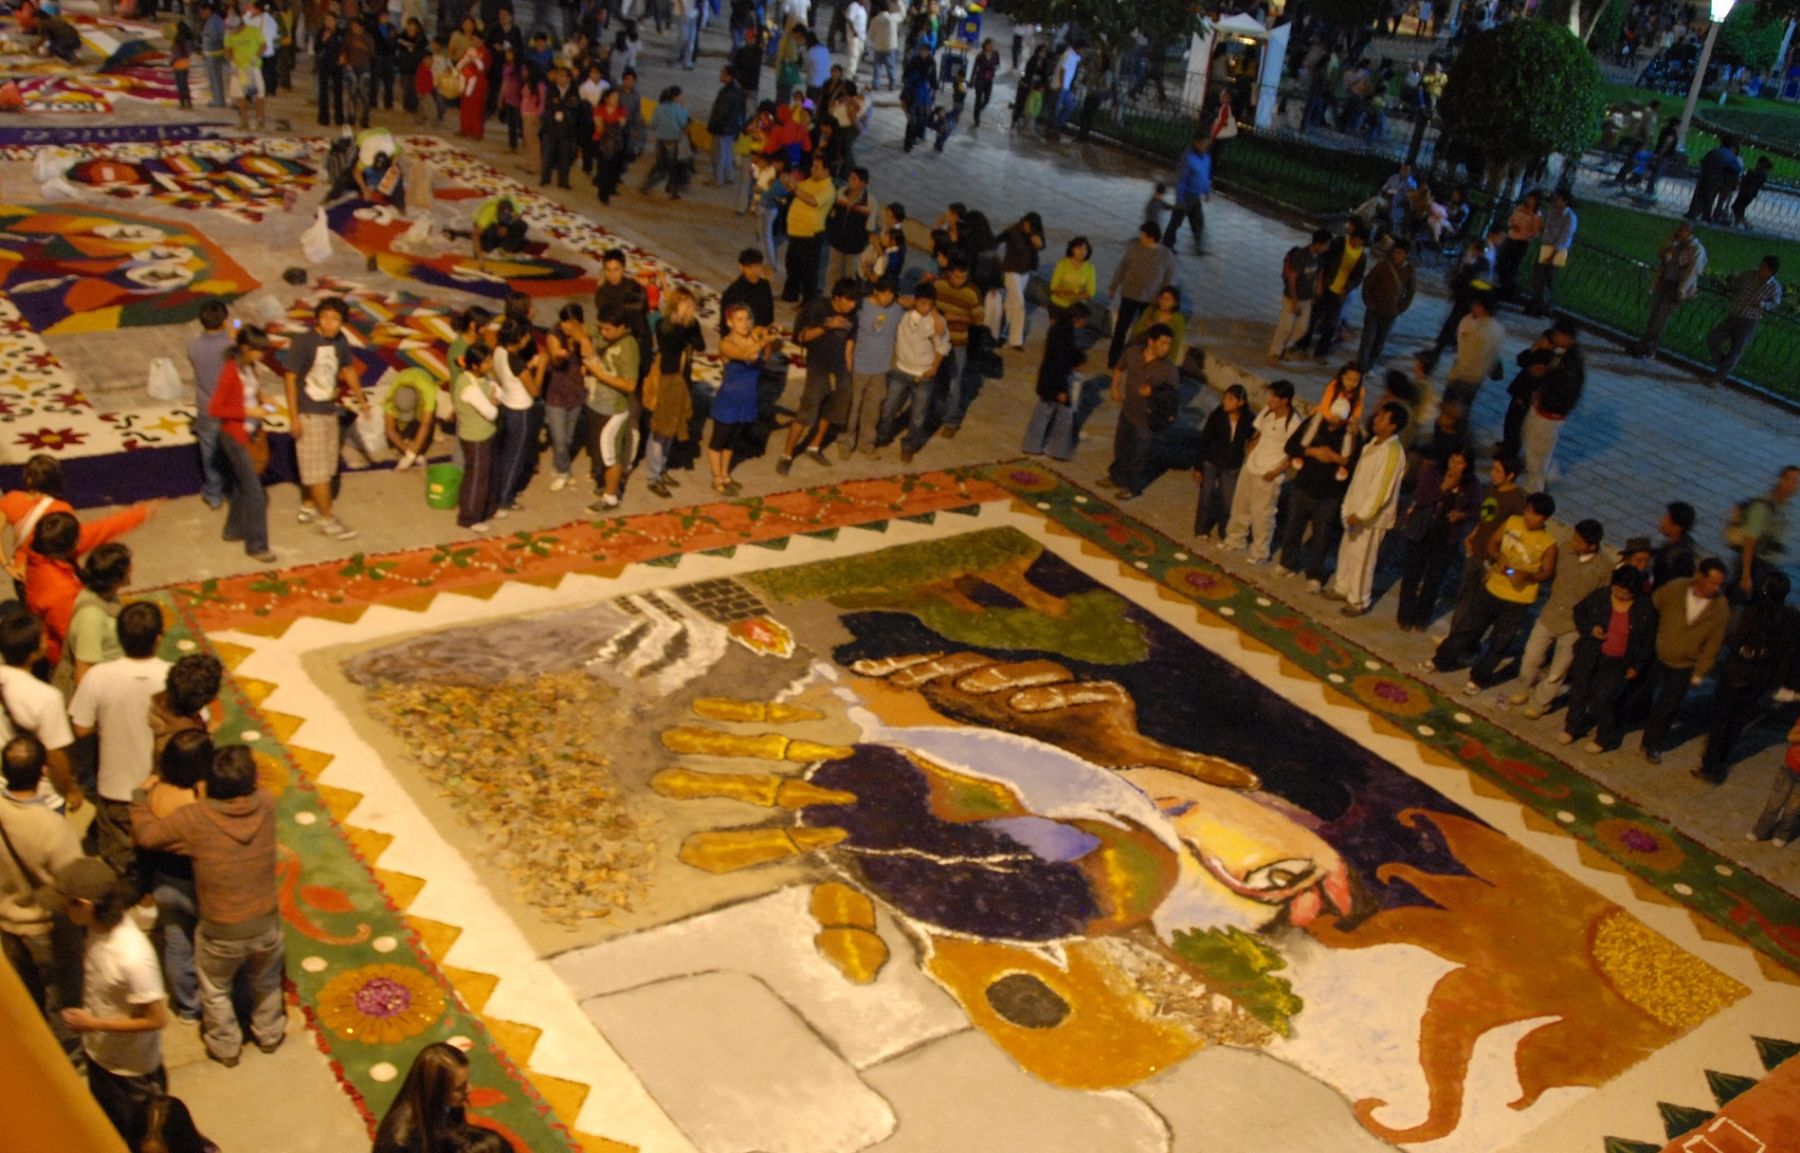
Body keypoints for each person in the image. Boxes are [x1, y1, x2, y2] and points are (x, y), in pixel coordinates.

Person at [131, 743, 282, 1067]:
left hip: (220, 929)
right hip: (267, 922)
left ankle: (226, 1047)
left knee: (215, 990)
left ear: (207, 783)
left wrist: (141, 799)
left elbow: (147, 836)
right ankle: (269, 1034)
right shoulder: (267, 804)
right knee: (267, 981)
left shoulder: (195, 818)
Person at [50, 858, 166, 1140]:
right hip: (102, 1057)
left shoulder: (133, 956)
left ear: (86, 905)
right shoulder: (96, 929)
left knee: (136, 1137)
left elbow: (156, 1018)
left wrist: (93, 1023)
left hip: (130, 1072)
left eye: (67, 904)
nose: (62, 911)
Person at [70, 602, 170, 899]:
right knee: (158, 854)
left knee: (120, 861)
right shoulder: (172, 675)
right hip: (157, 788)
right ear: (158, 638)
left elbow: (81, 728)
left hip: (115, 786)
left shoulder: (98, 676)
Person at [0, 733, 84, 1061]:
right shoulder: (52, 827)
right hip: (46, 928)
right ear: (44, 773)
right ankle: (67, 1054)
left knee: (27, 992)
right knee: (60, 994)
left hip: (7, 923)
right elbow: (74, 883)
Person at [1426, 491, 1559, 694]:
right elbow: (1492, 544)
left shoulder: (1548, 543)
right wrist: (1500, 559)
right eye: (1527, 511)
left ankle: (1478, 679)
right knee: (1467, 628)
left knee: (1500, 642)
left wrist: (1527, 576)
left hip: (1518, 599)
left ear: (1545, 518)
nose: (1528, 517)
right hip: (1493, 588)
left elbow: (1547, 572)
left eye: (1534, 515)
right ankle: (1440, 660)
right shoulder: (1512, 522)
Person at [1698, 572, 1799, 783]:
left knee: (1721, 719)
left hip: (1737, 672)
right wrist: (1777, 680)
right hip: (1761, 677)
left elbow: (1737, 641)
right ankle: (1722, 760)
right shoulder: (1790, 619)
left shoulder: (1753, 613)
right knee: (1737, 721)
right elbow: (1787, 653)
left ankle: (1710, 764)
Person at [282, 299, 367, 541]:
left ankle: (308, 504)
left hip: (329, 410)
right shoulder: (304, 342)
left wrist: (361, 398)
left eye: (336, 319)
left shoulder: (340, 341)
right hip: (309, 412)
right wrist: (294, 418)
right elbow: (289, 379)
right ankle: (327, 519)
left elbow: (348, 369)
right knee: (317, 470)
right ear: (317, 318)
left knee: (325, 466)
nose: (330, 323)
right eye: (325, 317)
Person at [1511, 519, 1613, 719]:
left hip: (1574, 625)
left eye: (1579, 541)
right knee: (1532, 655)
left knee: (1558, 669)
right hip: (1550, 613)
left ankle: (1540, 703)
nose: (1573, 543)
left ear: (1592, 545)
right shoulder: (1565, 549)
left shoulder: (1604, 568)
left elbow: (1601, 601)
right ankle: (1523, 687)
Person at [1639, 558, 1732, 765]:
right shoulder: (1676, 589)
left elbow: (1714, 644)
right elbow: (1652, 607)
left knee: (1669, 706)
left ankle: (1652, 743)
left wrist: (1701, 671)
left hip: (1685, 664)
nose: (1715, 588)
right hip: (1659, 653)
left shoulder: (1720, 607)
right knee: (1641, 691)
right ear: (1699, 576)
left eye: (1720, 584)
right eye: (1712, 582)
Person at [1561, 565, 1657, 754]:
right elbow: (1579, 610)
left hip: (1618, 662)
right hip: (1591, 653)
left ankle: (1605, 737)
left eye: (1625, 591)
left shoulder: (1644, 609)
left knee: (1602, 699)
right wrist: (1591, 628)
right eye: (1617, 588)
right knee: (1579, 691)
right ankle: (1573, 727)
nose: (1619, 594)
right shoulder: (1602, 595)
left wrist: (1637, 666)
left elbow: (1647, 642)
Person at [1330, 402, 1408, 616]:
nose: (1376, 419)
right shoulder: (1373, 443)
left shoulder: (1392, 452)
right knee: (1348, 550)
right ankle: (1342, 587)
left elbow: (1381, 490)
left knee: (1363, 559)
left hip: (1371, 518)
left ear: (1393, 426)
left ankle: (1359, 601)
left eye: (1383, 418)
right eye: (1379, 415)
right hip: (1354, 511)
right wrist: (1349, 507)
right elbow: (1359, 480)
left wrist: (1363, 514)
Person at [0, 607, 80, 815]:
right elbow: (56, 758)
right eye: (44, 638)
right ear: (33, 652)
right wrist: (70, 790)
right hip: (41, 796)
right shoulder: (46, 698)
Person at [1394, 445, 1481, 631]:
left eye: (1460, 463)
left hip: (1447, 537)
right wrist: (1444, 488)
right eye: (1452, 461)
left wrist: (1461, 515)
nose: (1454, 466)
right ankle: (1405, 616)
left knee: (1434, 579)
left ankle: (1422, 617)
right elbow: (1422, 498)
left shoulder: (1472, 483)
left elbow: (1476, 510)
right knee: (1412, 576)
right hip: (1423, 531)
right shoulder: (1433, 472)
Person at [778, 280, 860, 474]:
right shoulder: (818, 307)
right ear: (837, 297)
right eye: (849, 300)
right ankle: (787, 454)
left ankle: (814, 446)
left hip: (839, 369)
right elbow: (801, 337)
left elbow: (850, 345)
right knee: (807, 409)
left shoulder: (852, 316)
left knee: (831, 410)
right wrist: (827, 326)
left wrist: (848, 373)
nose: (852, 305)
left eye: (855, 301)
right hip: (819, 367)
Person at [1278, 397, 1355, 591]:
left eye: (1338, 420)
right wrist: (1312, 452)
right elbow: (1290, 446)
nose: (1333, 422)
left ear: (1345, 420)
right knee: (1293, 528)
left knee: (1321, 536)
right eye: (1331, 417)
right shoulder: (1313, 424)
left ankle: (1314, 574)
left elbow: (1354, 464)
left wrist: (1334, 458)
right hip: (1303, 486)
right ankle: (1287, 563)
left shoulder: (1351, 435)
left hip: (1329, 495)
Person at [1221, 381, 1301, 566]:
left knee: (1262, 515)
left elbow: (1294, 453)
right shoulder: (1267, 412)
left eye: (1274, 396)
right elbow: (1258, 434)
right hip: (1251, 467)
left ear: (1285, 400)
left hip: (1269, 474)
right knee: (1241, 506)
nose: (1269, 399)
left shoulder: (1294, 422)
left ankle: (1260, 552)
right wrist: (1249, 456)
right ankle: (1235, 539)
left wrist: (1275, 472)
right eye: (1270, 395)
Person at [1099, 325, 1178, 502]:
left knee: (1138, 455)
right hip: (1128, 411)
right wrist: (1114, 387)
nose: (1167, 347)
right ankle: (1116, 477)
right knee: (1121, 447)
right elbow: (1119, 367)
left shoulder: (1169, 369)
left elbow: (1172, 396)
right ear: (1151, 342)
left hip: (1146, 419)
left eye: (1169, 344)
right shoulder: (1133, 353)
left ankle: (1131, 487)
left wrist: (1153, 393)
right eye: (1163, 343)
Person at [712, 304, 780, 494]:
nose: (744, 323)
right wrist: (763, 341)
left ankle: (725, 474)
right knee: (719, 441)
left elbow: (766, 330)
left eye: (747, 318)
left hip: (746, 398)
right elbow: (743, 354)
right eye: (739, 319)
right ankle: (716, 478)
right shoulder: (726, 344)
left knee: (732, 440)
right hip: (729, 400)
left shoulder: (753, 335)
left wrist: (772, 331)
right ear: (729, 322)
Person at [1510, 320, 1584, 494]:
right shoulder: (1562, 355)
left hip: (1550, 413)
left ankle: (1532, 491)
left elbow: (1565, 392)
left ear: (1567, 338)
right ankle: (1549, 472)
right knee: (1529, 438)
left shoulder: (1572, 365)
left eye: (1558, 334)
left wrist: (1545, 386)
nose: (1554, 337)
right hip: (1541, 406)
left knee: (1537, 454)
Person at [883, 284, 952, 464]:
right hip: (901, 369)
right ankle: (883, 435)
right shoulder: (904, 315)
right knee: (889, 407)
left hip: (923, 375)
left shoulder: (936, 322)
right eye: (922, 304)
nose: (926, 308)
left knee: (918, 416)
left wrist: (934, 368)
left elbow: (943, 346)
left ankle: (909, 447)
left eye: (930, 305)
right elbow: (898, 298)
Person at [645, 288, 703, 498]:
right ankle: (653, 476)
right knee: (660, 428)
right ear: (675, 304)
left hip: (681, 380)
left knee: (673, 427)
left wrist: (689, 325)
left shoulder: (689, 325)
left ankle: (661, 469)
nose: (690, 308)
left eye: (691, 304)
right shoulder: (665, 324)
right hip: (665, 379)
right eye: (685, 304)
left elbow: (701, 344)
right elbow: (671, 341)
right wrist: (686, 327)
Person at [584, 306, 641, 511]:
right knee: (600, 451)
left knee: (611, 454)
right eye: (602, 328)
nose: (603, 333)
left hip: (614, 409)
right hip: (597, 403)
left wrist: (599, 374)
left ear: (623, 327)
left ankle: (610, 497)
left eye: (608, 330)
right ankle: (606, 485)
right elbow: (581, 330)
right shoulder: (603, 333)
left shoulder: (628, 347)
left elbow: (630, 384)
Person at [489, 319, 546, 515]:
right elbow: (535, 390)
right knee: (516, 457)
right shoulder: (516, 361)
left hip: (506, 405)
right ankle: (505, 500)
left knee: (505, 453)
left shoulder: (498, 351)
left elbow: (509, 377)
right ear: (519, 339)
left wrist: (527, 367)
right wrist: (540, 368)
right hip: (520, 411)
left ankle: (498, 492)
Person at [373, 1041, 471, 1153]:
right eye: (458, 1088)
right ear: (436, 1090)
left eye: (467, 1082)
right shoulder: (399, 1142)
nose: (469, 1089)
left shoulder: (447, 1104)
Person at [846, 277, 903, 459]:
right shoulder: (861, 306)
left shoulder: (897, 310)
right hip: (859, 366)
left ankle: (866, 444)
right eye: (884, 293)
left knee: (873, 409)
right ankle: (846, 443)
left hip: (881, 369)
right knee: (852, 408)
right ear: (876, 291)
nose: (888, 298)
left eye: (891, 294)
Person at [1630, 222, 1706, 358]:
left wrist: (1682, 290)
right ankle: (1648, 347)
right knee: (1654, 316)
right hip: (1664, 282)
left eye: (1681, 230)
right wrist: (1669, 242)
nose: (1678, 232)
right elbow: (1660, 254)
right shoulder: (1675, 244)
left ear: (1689, 232)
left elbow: (1693, 271)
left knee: (1661, 319)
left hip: (1676, 286)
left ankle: (1644, 347)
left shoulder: (1696, 249)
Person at [1705, 256, 1783, 388]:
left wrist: (1762, 305)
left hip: (1749, 321)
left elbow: (1775, 303)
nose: (1760, 269)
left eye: (1763, 267)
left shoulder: (1774, 287)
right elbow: (1736, 282)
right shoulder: (1750, 275)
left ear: (1770, 271)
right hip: (1734, 315)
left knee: (1735, 350)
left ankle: (1718, 377)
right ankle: (1723, 364)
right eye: (1761, 265)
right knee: (1713, 338)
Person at [1023, 304, 1088, 462]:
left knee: (1044, 413)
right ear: (1076, 318)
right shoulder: (1064, 334)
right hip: (1056, 381)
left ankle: (1033, 446)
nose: (1084, 323)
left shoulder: (1059, 328)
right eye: (1083, 320)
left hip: (1049, 379)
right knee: (1061, 415)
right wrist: (1061, 390)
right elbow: (1059, 363)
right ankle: (1056, 450)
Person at [186, 301, 233, 512]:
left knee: (209, 450)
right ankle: (234, 489)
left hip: (207, 406)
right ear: (224, 319)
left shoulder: (193, 346)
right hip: (231, 407)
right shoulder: (232, 346)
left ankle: (214, 494)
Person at [1727, 466, 1799, 603]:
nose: (1793, 485)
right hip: (1756, 566)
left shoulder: (1786, 506)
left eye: (1796, 481)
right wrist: (1746, 576)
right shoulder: (1762, 507)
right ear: (1780, 480)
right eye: (1790, 480)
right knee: (1739, 602)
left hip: (1769, 565)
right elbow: (1749, 542)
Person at [1109, 223, 1176, 369]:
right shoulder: (1135, 248)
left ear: (1151, 237)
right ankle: (1113, 359)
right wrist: (1114, 285)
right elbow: (1123, 267)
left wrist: (1162, 299)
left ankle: (1137, 360)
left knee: (1143, 332)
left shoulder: (1165, 255)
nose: (1141, 237)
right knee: (1121, 328)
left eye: (1143, 235)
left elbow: (1168, 278)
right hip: (1129, 295)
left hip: (1149, 300)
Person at [1193, 385, 1253, 543]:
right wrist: (1198, 467)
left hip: (1231, 465)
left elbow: (1255, 435)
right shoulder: (1217, 416)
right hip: (1212, 462)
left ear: (1240, 402)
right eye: (1225, 397)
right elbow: (1204, 441)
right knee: (1207, 496)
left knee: (1228, 500)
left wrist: (1249, 456)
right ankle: (1201, 529)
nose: (1225, 402)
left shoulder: (1248, 419)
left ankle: (1224, 530)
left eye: (1230, 399)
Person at [452, 342, 501, 532]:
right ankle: (469, 517)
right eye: (486, 362)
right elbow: (491, 413)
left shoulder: (483, 378)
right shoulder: (468, 388)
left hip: (486, 434)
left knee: (487, 474)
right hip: (475, 438)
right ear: (474, 366)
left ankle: (486, 510)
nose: (490, 365)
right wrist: (493, 402)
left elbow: (498, 393)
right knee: (476, 478)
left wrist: (493, 400)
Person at [1305, 220, 1368, 360]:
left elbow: (1358, 277)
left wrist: (1348, 288)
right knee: (1314, 316)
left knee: (1331, 323)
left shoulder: (1361, 256)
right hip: (1327, 286)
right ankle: (1303, 344)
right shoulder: (1339, 244)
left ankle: (1320, 351)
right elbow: (1323, 261)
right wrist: (1319, 282)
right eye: (1356, 240)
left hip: (1340, 293)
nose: (1357, 243)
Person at [782, 155, 836, 303]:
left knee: (808, 271)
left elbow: (813, 201)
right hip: (796, 232)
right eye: (813, 166)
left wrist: (795, 188)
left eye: (817, 167)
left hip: (810, 235)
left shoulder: (827, 188)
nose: (813, 169)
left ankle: (808, 302)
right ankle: (790, 295)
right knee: (792, 265)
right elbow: (796, 190)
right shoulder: (810, 181)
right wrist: (788, 182)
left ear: (826, 170)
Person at [1270, 229, 1327, 365]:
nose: (1327, 248)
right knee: (1285, 326)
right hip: (1292, 297)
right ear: (1318, 244)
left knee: (1302, 328)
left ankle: (1286, 347)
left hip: (1306, 298)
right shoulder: (1301, 255)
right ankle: (1274, 352)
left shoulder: (1319, 258)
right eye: (1326, 244)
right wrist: (1295, 300)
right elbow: (1292, 278)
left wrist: (1317, 292)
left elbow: (1318, 276)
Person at [1357, 240, 1415, 370]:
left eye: (1400, 253)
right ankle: (1361, 367)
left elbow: (1410, 293)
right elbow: (1368, 283)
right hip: (1374, 309)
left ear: (1405, 255)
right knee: (1367, 340)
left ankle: (1370, 366)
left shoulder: (1409, 271)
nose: (1396, 255)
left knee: (1379, 342)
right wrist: (1368, 302)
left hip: (1390, 314)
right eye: (1395, 252)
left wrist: (1400, 309)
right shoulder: (1383, 265)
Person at [993, 213, 1045, 350]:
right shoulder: (1014, 230)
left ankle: (999, 334)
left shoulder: (1037, 232)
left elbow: (1042, 245)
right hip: (1011, 271)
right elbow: (998, 239)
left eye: (1030, 226)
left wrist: (1038, 245)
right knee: (1019, 304)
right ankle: (1015, 340)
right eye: (1026, 224)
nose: (1027, 228)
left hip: (1025, 272)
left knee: (1010, 304)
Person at [1526, 190, 1576, 317]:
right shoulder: (1552, 213)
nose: (1555, 201)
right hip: (1546, 246)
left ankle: (1544, 305)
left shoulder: (1570, 217)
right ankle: (1538, 302)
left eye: (1557, 199)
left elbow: (1565, 237)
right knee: (1538, 277)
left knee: (1548, 278)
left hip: (1558, 250)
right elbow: (1547, 229)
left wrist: (1554, 251)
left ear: (1565, 201)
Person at [1162, 137, 1211, 254]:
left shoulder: (1206, 158)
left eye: (1207, 143)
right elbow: (1181, 180)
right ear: (1196, 143)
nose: (1205, 146)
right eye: (1203, 143)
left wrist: (1206, 191)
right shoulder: (1187, 158)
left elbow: (1205, 176)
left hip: (1196, 196)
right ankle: (1167, 243)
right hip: (1186, 195)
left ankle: (1199, 245)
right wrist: (1180, 199)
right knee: (1176, 221)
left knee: (1198, 221)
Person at [382, 368, 438, 471]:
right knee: (402, 430)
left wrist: (412, 454)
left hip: (424, 378)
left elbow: (426, 424)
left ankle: (417, 448)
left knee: (426, 424)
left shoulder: (428, 392)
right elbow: (389, 430)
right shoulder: (389, 399)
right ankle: (412, 450)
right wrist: (409, 453)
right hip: (405, 376)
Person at [1495, 190, 1541, 302]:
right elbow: (1510, 220)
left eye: (1532, 200)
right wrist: (1513, 225)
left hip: (1521, 242)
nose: (1529, 201)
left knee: (1512, 267)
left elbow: (1536, 231)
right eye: (1529, 198)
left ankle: (1506, 292)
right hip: (1511, 238)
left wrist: (1526, 234)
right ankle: (1501, 286)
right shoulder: (1520, 208)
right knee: (1501, 263)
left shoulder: (1536, 214)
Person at [1048, 237, 1097, 318]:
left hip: (1076, 308)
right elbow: (1053, 287)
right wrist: (1068, 294)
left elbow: (1090, 293)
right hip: (1058, 304)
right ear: (1072, 249)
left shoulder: (1090, 268)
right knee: (1056, 329)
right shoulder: (1062, 264)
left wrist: (1073, 297)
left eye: (1085, 249)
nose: (1082, 252)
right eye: (1079, 248)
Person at [473, 195, 528, 260]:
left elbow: (518, 216)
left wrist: (507, 225)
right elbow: (476, 234)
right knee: (488, 231)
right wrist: (479, 253)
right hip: (489, 225)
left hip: (505, 224)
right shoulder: (489, 211)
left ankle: (505, 249)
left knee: (522, 225)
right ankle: (486, 249)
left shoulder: (515, 205)